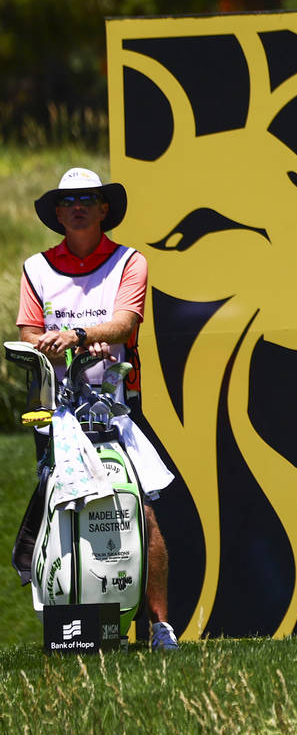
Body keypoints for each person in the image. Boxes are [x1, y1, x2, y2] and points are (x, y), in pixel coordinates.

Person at [15, 167, 179, 651]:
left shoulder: (130, 261)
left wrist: (81, 337)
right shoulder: (36, 267)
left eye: (88, 198)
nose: (78, 206)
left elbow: (127, 323)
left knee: (140, 513)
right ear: (58, 213)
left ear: (104, 208)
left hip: (117, 406)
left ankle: (159, 627)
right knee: (61, 514)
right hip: (57, 413)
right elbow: (28, 333)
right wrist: (50, 344)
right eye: (68, 201)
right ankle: (76, 630)